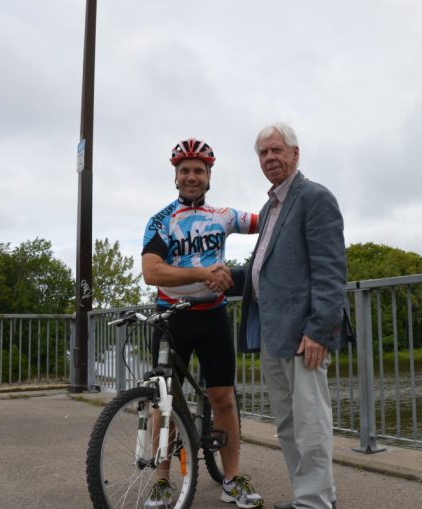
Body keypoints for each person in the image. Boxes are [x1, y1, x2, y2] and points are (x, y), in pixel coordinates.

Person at [141, 137, 264, 509]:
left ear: (209, 176)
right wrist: (200, 272)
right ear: (176, 177)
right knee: (164, 405)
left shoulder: (223, 216)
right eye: (185, 171)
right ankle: (162, 482)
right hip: (171, 319)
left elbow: (270, 223)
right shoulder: (161, 220)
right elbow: (151, 271)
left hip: (212, 317)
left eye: (199, 171)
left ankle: (232, 479)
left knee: (222, 398)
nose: (191, 177)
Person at [238, 123, 347, 509]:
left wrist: (320, 329)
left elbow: (331, 272)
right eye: (263, 154)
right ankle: (312, 497)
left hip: (305, 335)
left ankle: (314, 503)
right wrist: (222, 278)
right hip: (273, 332)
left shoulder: (315, 198)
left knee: (310, 424)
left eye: (276, 150)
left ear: (295, 154)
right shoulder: (270, 207)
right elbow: (265, 270)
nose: (269, 158)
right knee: (287, 425)